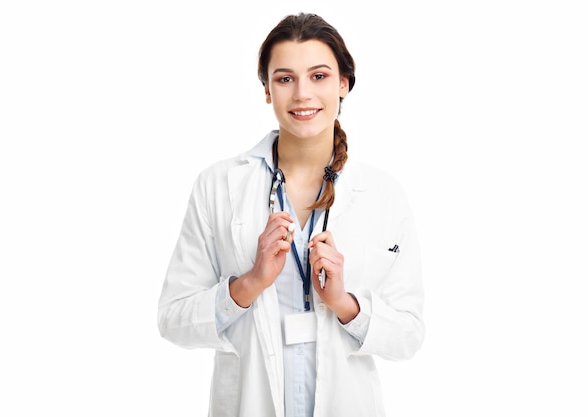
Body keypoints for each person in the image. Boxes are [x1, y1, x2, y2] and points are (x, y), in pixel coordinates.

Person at [157, 12, 425, 417]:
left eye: (318, 76)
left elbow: (408, 335)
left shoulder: (383, 195)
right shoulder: (217, 186)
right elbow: (173, 319)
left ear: (343, 84)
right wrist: (249, 284)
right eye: (285, 79)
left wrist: (343, 303)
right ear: (267, 90)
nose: (302, 94)